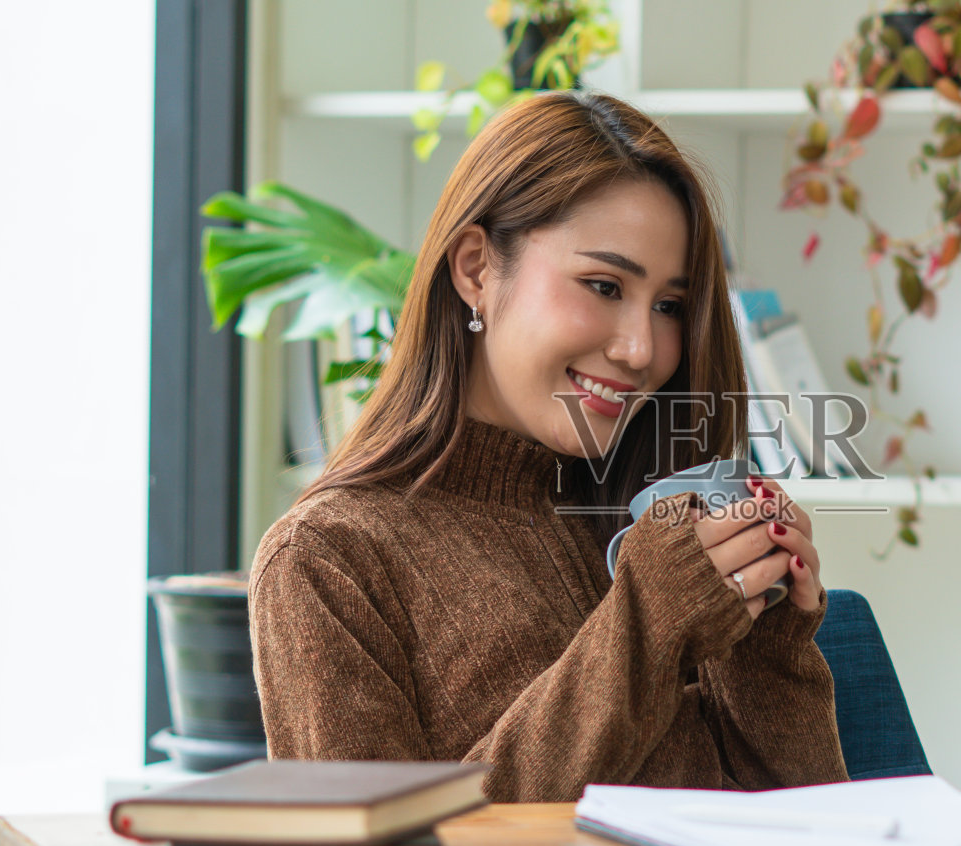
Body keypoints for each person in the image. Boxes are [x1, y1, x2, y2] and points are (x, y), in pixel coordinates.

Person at [249, 91, 849, 803]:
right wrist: (646, 622)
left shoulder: (643, 523)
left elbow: (813, 831)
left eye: (669, 306)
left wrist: (767, 647)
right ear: (476, 268)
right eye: (604, 285)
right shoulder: (326, 559)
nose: (641, 349)